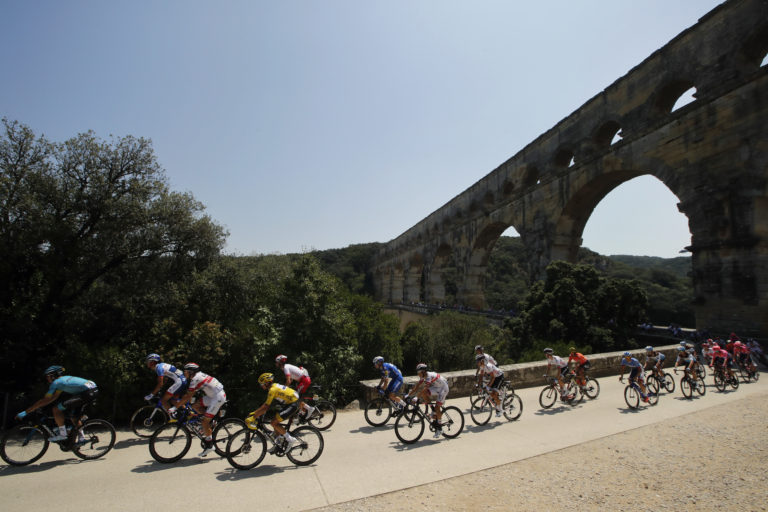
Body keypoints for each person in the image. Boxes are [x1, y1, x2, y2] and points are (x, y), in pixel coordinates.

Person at [15, 365, 98, 442]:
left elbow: (45, 400)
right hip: (91, 390)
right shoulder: (62, 381)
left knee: (56, 409)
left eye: (47, 376)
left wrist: (25, 412)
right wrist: (39, 406)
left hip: (87, 393)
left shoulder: (56, 383)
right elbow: (53, 397)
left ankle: (63, 434)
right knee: (74, 416)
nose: (47, 379)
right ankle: (81, 438)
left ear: (53, 375)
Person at [168, 362, 226, 457]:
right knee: (195, 406)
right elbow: (190, 394)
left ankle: (210, 445)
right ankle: (209, 423)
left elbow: (188, 395)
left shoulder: (196, 379)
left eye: (185, 371)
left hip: (217, 397)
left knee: (204, 422)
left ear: (191, 372)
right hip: (213, 396)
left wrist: (175, 407)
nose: (184, 373)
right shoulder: (197, 376)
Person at [248, 372, 299, 453]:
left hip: (293, 403)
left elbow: (266, 406)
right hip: (289, 402)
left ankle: (290, 439)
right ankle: (278, 444)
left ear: (267, 383)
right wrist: (257, 412)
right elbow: (266, 405)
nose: (261, 386)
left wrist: (254, 415)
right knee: (275, 421)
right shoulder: (273, 386)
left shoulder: (272, 390)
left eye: (262, 384)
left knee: (274, 423)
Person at [406, 364, 449, 439]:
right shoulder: (423, 376)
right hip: (437, 387)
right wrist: (408, 395)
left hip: (443, 388)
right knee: (424, 394)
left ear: (423, 371)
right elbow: (417, 386)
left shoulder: (428, 376)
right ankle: (433, 410)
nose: (418, 373)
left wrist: (416, 397)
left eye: (418, 371)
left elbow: (425, 387)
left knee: (437, 407)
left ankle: (439, 428)